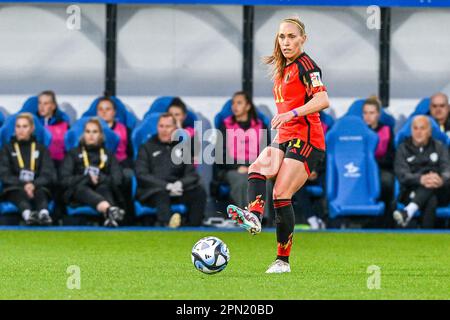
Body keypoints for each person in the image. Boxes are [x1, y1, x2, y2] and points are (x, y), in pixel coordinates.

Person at [227, 17, 329, 273]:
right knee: (257, 168)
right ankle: (254, 216)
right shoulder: (284, 67)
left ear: (303, 39)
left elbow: (323, 99)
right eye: (282, 37)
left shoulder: (307, 66)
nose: (286, 42)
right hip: (285, 135)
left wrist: (292, 114)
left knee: (281, 194)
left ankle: (282, 261)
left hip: (307, 139)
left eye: (292, 36)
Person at [135, 113, 206, 228]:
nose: (164, 130)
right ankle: (167, 227)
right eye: (161, 126)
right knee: (161, 195)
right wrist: (166, 186)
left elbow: (192, 175)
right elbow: (141, 174)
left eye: (168, 126)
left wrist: (179, 184)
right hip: (153, 190)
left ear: (175, 128)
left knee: (199, 192)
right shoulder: (146, 147)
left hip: (178, 190)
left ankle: (194, 228)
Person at [60, 118, 125, 227]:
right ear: (83, 134)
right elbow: (64, 180)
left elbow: (117, 179)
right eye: (88, 131)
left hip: (103, 190)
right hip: (78, 194)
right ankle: (109, 210)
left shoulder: (108, 154)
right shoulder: (73, 153)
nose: (91, 135)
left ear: (100, 135)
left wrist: (100, 178)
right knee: (82, 188)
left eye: (95, 132)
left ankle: (110, 215)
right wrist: (87, 178)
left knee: (104, 187)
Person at [393, 115, 450, 228]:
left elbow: (447, 170)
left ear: (429, 131)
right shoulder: (403, 148)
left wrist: (441, 180)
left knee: (432, 190)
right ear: (411, 130)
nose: (418, 132)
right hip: (410, 191)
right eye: (415, 128)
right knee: (431, 200)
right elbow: (402, 175)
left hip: (440, 190)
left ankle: (408, 212)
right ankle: (426, 238)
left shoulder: (440, 147)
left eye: (422, 128)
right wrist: (420, 179)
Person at [0, 113, 56, 225]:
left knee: (40, 191)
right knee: (17, 192)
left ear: (32, 128)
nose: (21, 130)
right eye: (18, 126)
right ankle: (28, 215)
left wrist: (33, 184)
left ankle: (44, 214)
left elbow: (48, 173)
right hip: (15, 187)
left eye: (25, 126)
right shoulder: (7, 149)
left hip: (38, 186)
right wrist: (24, 184)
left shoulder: (41, 148)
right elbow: (4, 174)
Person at [217, 91, 268, 209]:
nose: (234, 106)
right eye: (233, 103)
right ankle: (244, 218)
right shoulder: (224, 125)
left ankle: (262, 219)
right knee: (241, 181)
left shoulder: (261, 126)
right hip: (233, 168)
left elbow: (267, 153)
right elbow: (220, 155)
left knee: (265, 182)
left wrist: (254, 167)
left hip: (256, 167)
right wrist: (237, 167)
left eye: (239, 103)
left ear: (248, 106)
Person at [362, 96, 396, 227]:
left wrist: (373, 163)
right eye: (365, 113)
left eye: (372, 113)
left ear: (378, 114)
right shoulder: (359, 131)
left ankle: (385, 222)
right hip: (362, 171)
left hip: (381, 169)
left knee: (386, 182)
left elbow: (391, 156)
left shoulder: (386, 130)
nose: (368, 116)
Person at [96, 96, 133, 168]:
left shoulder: (125, 130)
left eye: (108, 109)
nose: (104, 112)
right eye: (100, 109)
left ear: (114, 112)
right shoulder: (90, 130)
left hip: (121, 166)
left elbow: (131, 154)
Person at [37, 91, 70, 166]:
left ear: (53, 106)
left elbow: (68, 149)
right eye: (40, 103)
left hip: (58, 165)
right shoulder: (32, 124)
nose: (42, 107)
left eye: (46, 103)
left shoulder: (63, 125)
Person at [167, 97, 200, 164]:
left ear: (184, 116)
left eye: (177, 115)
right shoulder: (161, 131)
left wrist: (180, 131)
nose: (173, 117)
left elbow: (193, 157)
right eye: (170, 114)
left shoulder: (192, 134)